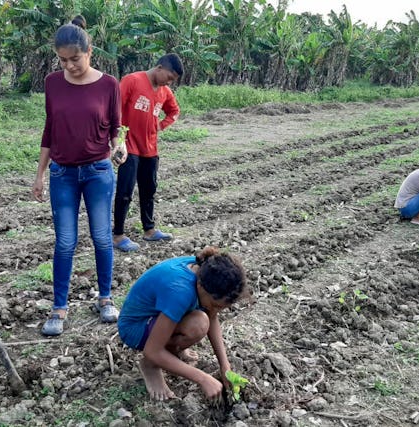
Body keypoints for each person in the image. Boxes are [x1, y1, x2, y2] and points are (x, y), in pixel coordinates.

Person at [32, 16, 126, 336]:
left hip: (99, 171)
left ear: (90, 52)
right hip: (62, 174)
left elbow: (115, 128)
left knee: (101, 238)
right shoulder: (52, 83)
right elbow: (49, 128)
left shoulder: (109, 84)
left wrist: (119, 146)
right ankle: (59, 307)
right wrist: (39, 175)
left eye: (75, 58)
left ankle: (105, 298)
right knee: (65, 242)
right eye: (63, 60)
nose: (69, 66)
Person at [117, 246, 248, 401]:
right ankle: (150, 365)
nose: (216, 311)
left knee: (203, 317)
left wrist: (225, 366)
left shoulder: (204, 269)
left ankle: (172, 353)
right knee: (198, 324)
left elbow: (212, 316)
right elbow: (152, 350)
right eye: (216, 305)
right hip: (135, 327)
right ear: (200, 286)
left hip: (157, 317)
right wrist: (203, 378)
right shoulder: (180, 291)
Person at [112, 53, 183, 252]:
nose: (169, 83)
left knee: (149, 189)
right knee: (125, 191)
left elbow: (175, 111)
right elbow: (114, 108)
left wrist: (161, 126)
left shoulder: (165, 92)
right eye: (169, 77)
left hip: (150, 148)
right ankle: (118, 235)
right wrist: (117, 139)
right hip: (129, 146)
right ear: (159, 68)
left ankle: (149, 230)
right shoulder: (132, 81)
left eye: (172, 81)